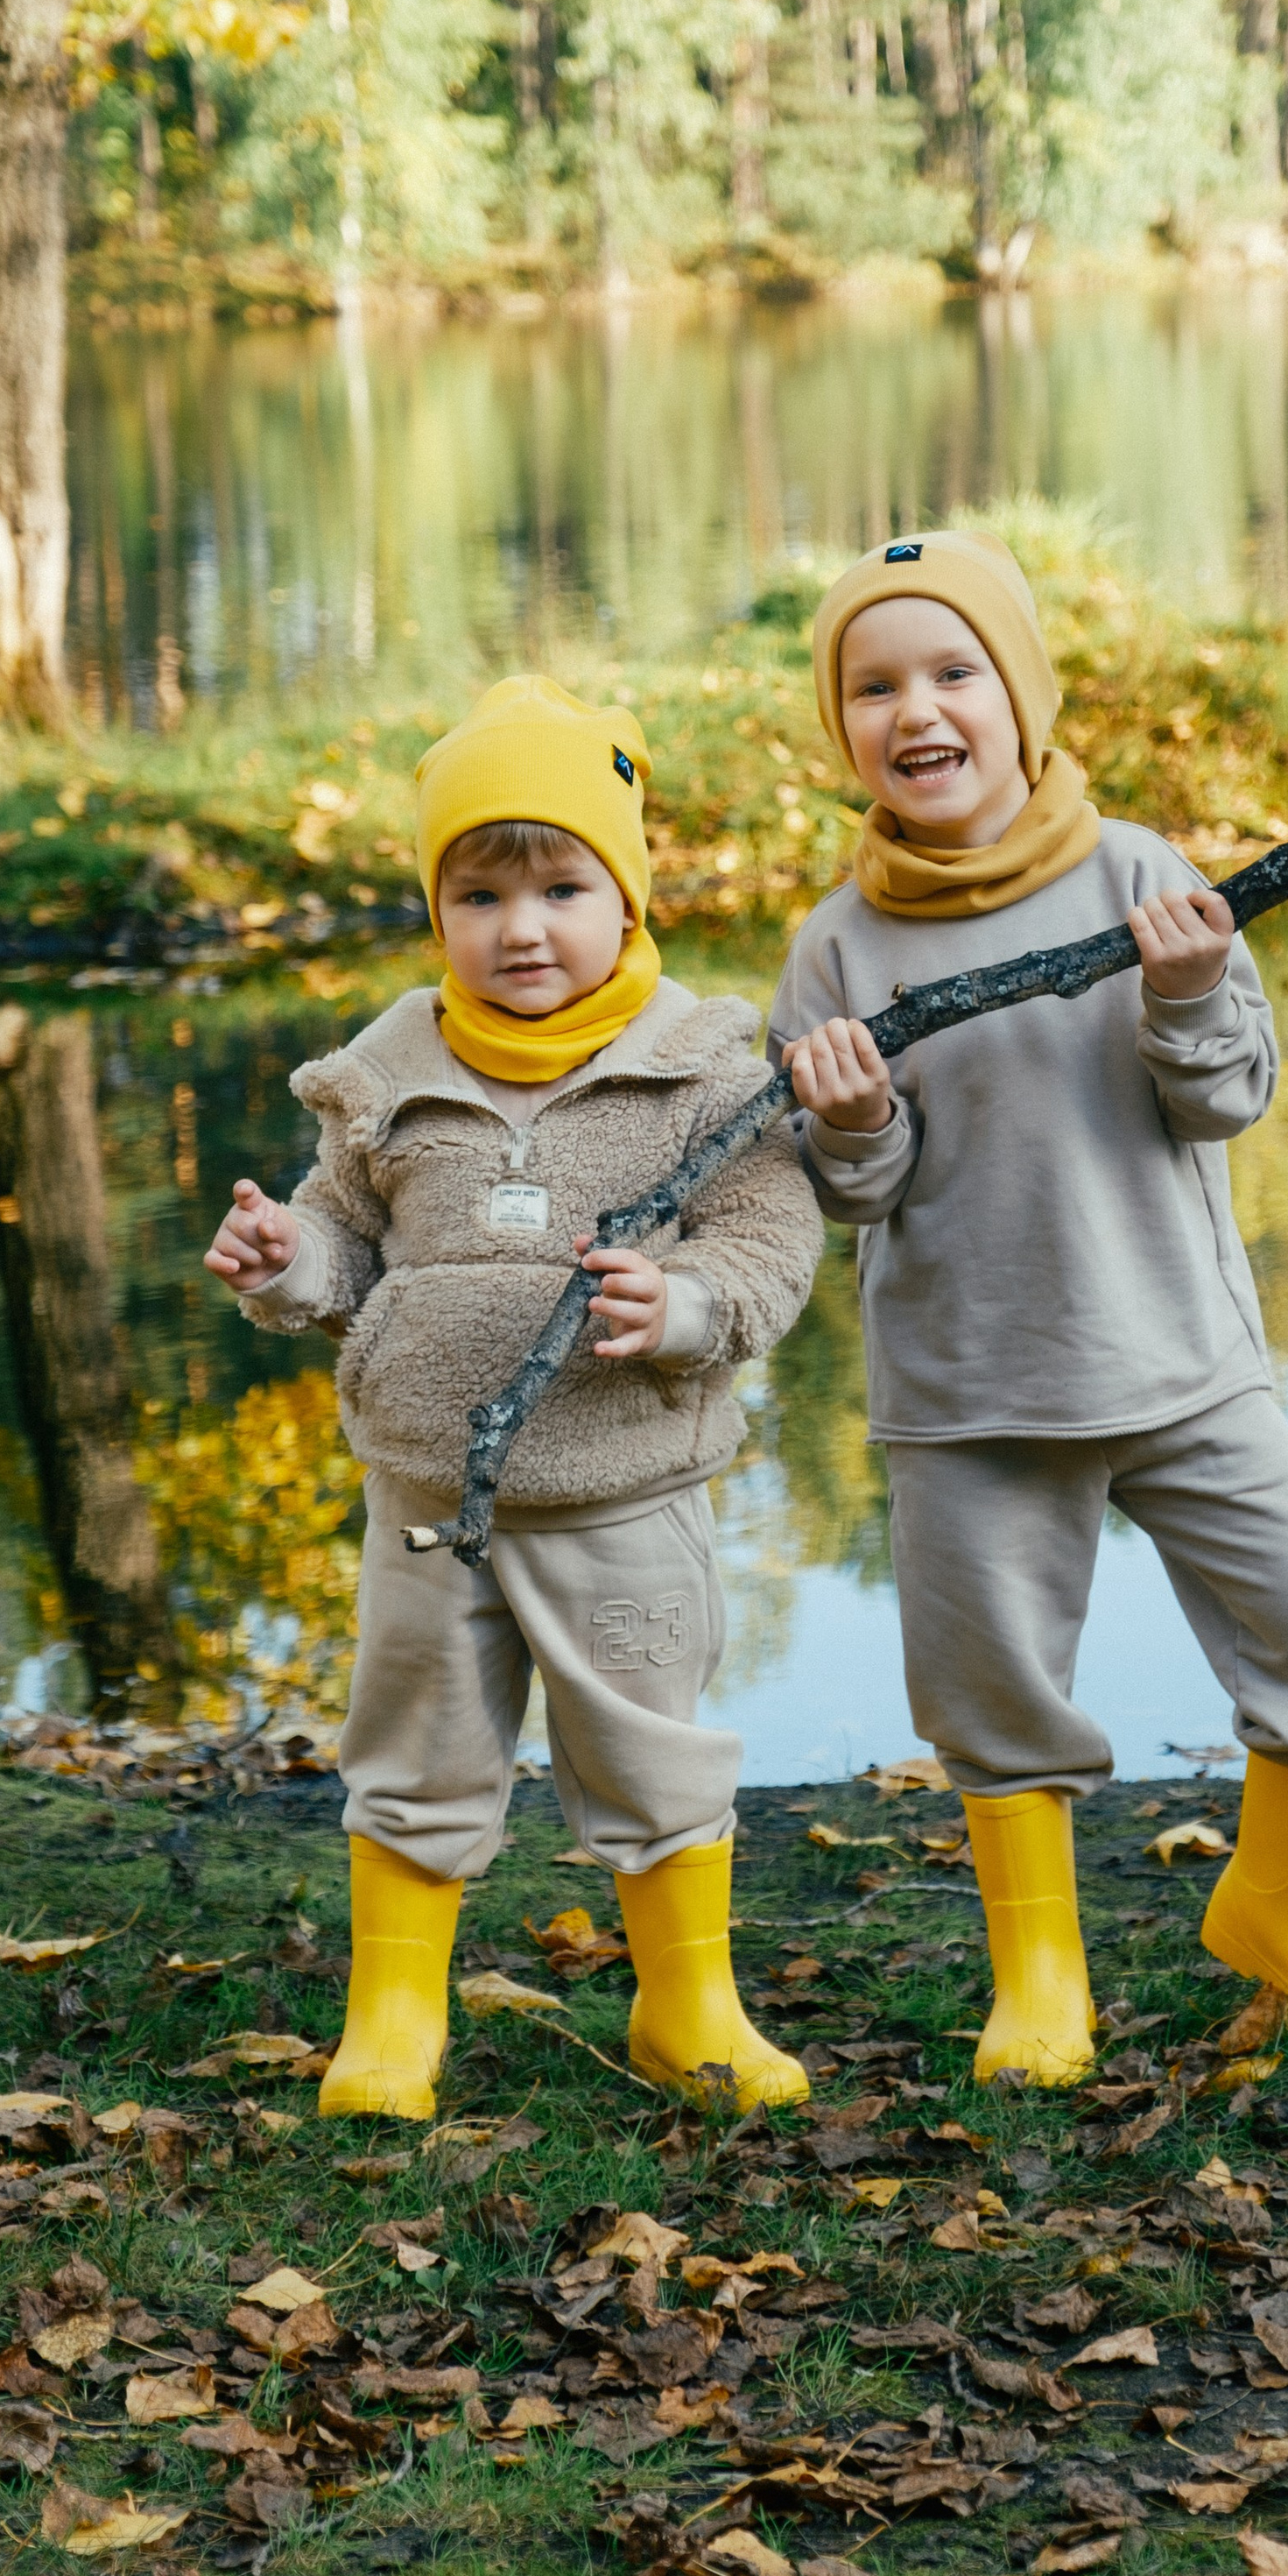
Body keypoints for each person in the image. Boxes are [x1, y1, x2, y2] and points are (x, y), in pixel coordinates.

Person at [769, 529, 1288, 2086]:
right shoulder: (837, 944)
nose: (917, 710)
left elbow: (1233, 1101)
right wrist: (854, 1124)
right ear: (840, 726)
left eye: (953, 672)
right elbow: (850, 1194)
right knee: (992, 1687)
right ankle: (1041, 1981)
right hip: (971, 1390)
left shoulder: (1139, 872)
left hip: (1178, 1354)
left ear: (1022, 694)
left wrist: (1190, 996)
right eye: (874, 686)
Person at [205, 675, 823, 2120]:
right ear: (439, 912)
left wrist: (683, 1310)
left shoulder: (702, 1073)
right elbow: (348, 1246)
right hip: (427, 1499)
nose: (523, 929)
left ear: (627, 892)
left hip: (625, 1490)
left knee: (652, 1748)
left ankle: (688, 2003)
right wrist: (288, 1262)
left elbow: (767, 1245)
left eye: (561, 887)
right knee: (415, 1746)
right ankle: (395, 2016)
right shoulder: (387, 1076)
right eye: (479, 894)